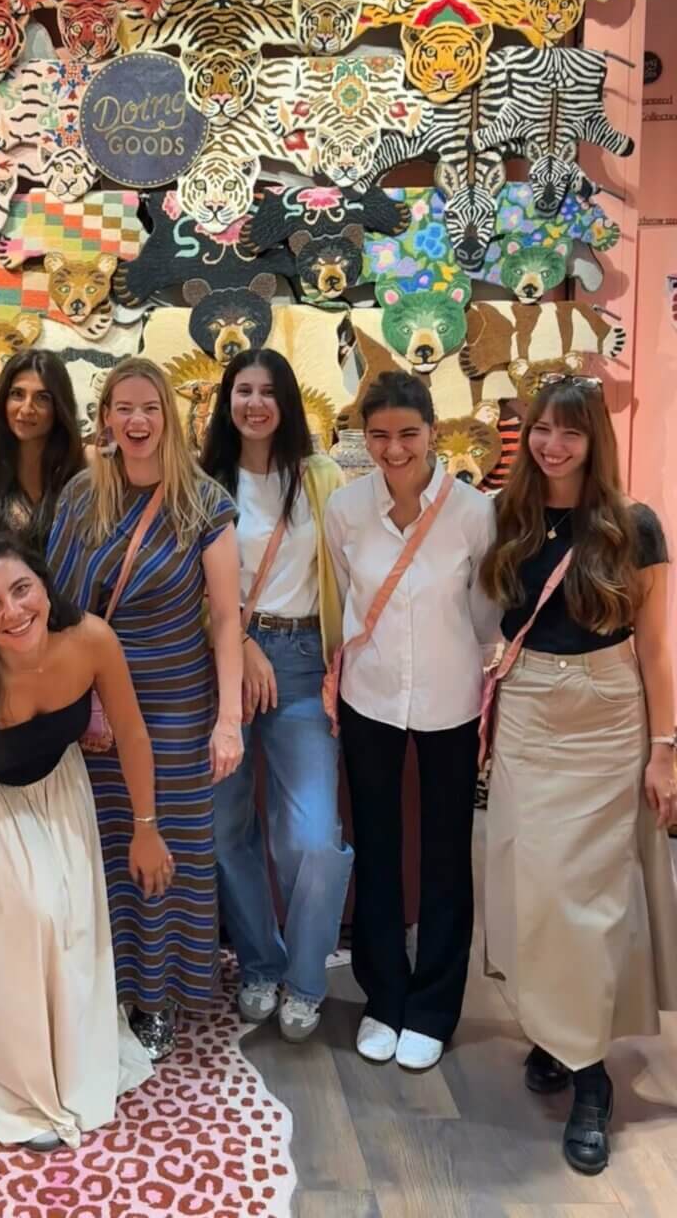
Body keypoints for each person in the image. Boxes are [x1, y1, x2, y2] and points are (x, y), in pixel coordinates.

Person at [480, 374, 677, 1176]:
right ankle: (557, 1035)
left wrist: (665, 747)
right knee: (533, 887)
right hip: (529, 710)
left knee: (587, 900)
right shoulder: (509, 516)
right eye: (542, 429)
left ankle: (590, 1074)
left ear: (596, 440)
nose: (552, 445)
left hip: (607, 715)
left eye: (570, 432)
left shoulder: (634, 526)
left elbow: (655, 648)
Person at [0, 534, 164, 1150]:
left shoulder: (92, 641)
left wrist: (146, 826)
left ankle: (75, 1051)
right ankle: (20, 1087)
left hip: (61, 786)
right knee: (29, 918)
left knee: (72, 923)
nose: (13, 611)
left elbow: (132, 732)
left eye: (21, 589)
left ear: (45, 587)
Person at [47, 356, 244, 1061]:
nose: (137, 421)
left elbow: (226, 618)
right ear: (105, 417)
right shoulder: (82, 495)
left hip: (174, 706)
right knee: (101, 848)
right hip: (93, 705)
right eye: (123, 407)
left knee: (165, 851)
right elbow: (58, 606)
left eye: (150, 408)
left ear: (169, 417)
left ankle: (157, 996)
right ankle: (106, 987)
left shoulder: (204, 502)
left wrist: (228, 720)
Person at [324, 371, 500, 1073]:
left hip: (450, 700)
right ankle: (384, 996)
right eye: (379, 435)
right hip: (369, 697)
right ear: (362, 437)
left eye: (407, 434)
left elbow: (485, 611)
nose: (393, 449)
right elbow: (346, 595)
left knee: (446, 852)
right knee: (376, 844)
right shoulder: (345, 509)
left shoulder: (473, 513)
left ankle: (433, 1006)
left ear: (432, 432)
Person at [201, 350, 353, 1040]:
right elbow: (186, 579)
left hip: (301, 662)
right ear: (226, 400)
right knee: (224, 828)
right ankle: (260, 963)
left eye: (268, 391)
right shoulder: (204, 480)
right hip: (221, 663)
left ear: (288, 401)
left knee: (313, 838)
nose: (255, 403)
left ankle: (306, 976)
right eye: (243, 390)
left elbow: (348, 569)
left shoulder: (320, 477)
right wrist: (242, 642)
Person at [0, 349, 84, 592]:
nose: (27, 408)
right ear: (3, 400)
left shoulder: (80, 471)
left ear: (59, 407)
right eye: (17, 394)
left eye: (42, 398)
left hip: (65, 612)